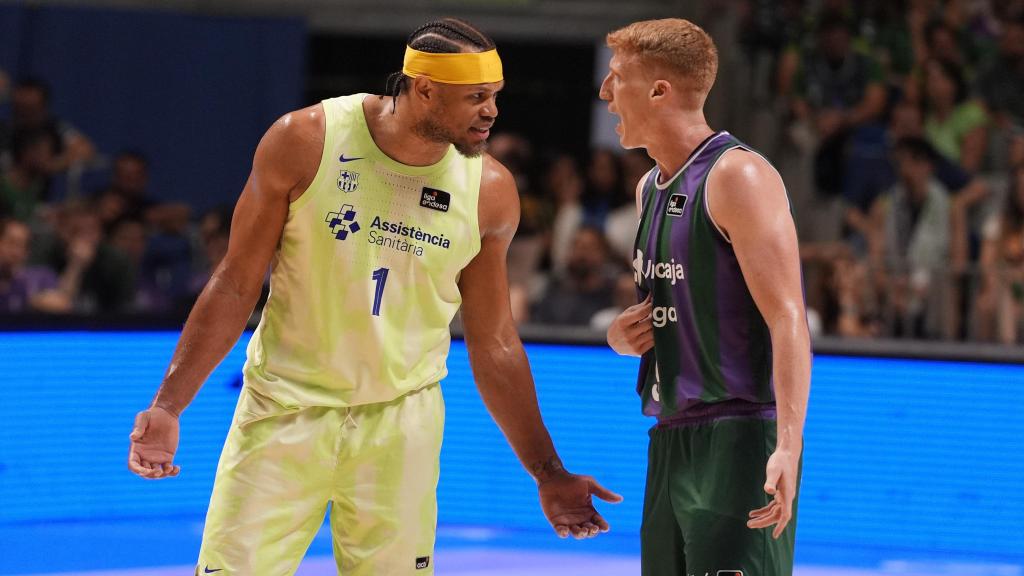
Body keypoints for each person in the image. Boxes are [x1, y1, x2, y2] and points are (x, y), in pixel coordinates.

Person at [126, 17, 620, 576]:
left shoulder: (490, 190)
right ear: (425, 89)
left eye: (495, 96)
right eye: (476, 97)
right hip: (284, 409)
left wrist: (547, 471)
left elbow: (495, 341)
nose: (492, 112)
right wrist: (169, 404)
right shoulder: (305, 140)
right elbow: (236, 282)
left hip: (401, 427)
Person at [601, 18, 811, 576]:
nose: (604, 92)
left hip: (740, 435)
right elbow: (669, 310)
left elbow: (788, 316)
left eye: (617, 77)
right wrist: (620, 336)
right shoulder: (649, 188)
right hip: (670, 435)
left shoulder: (738, 175)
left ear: (658, 91)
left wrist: (788, 445)